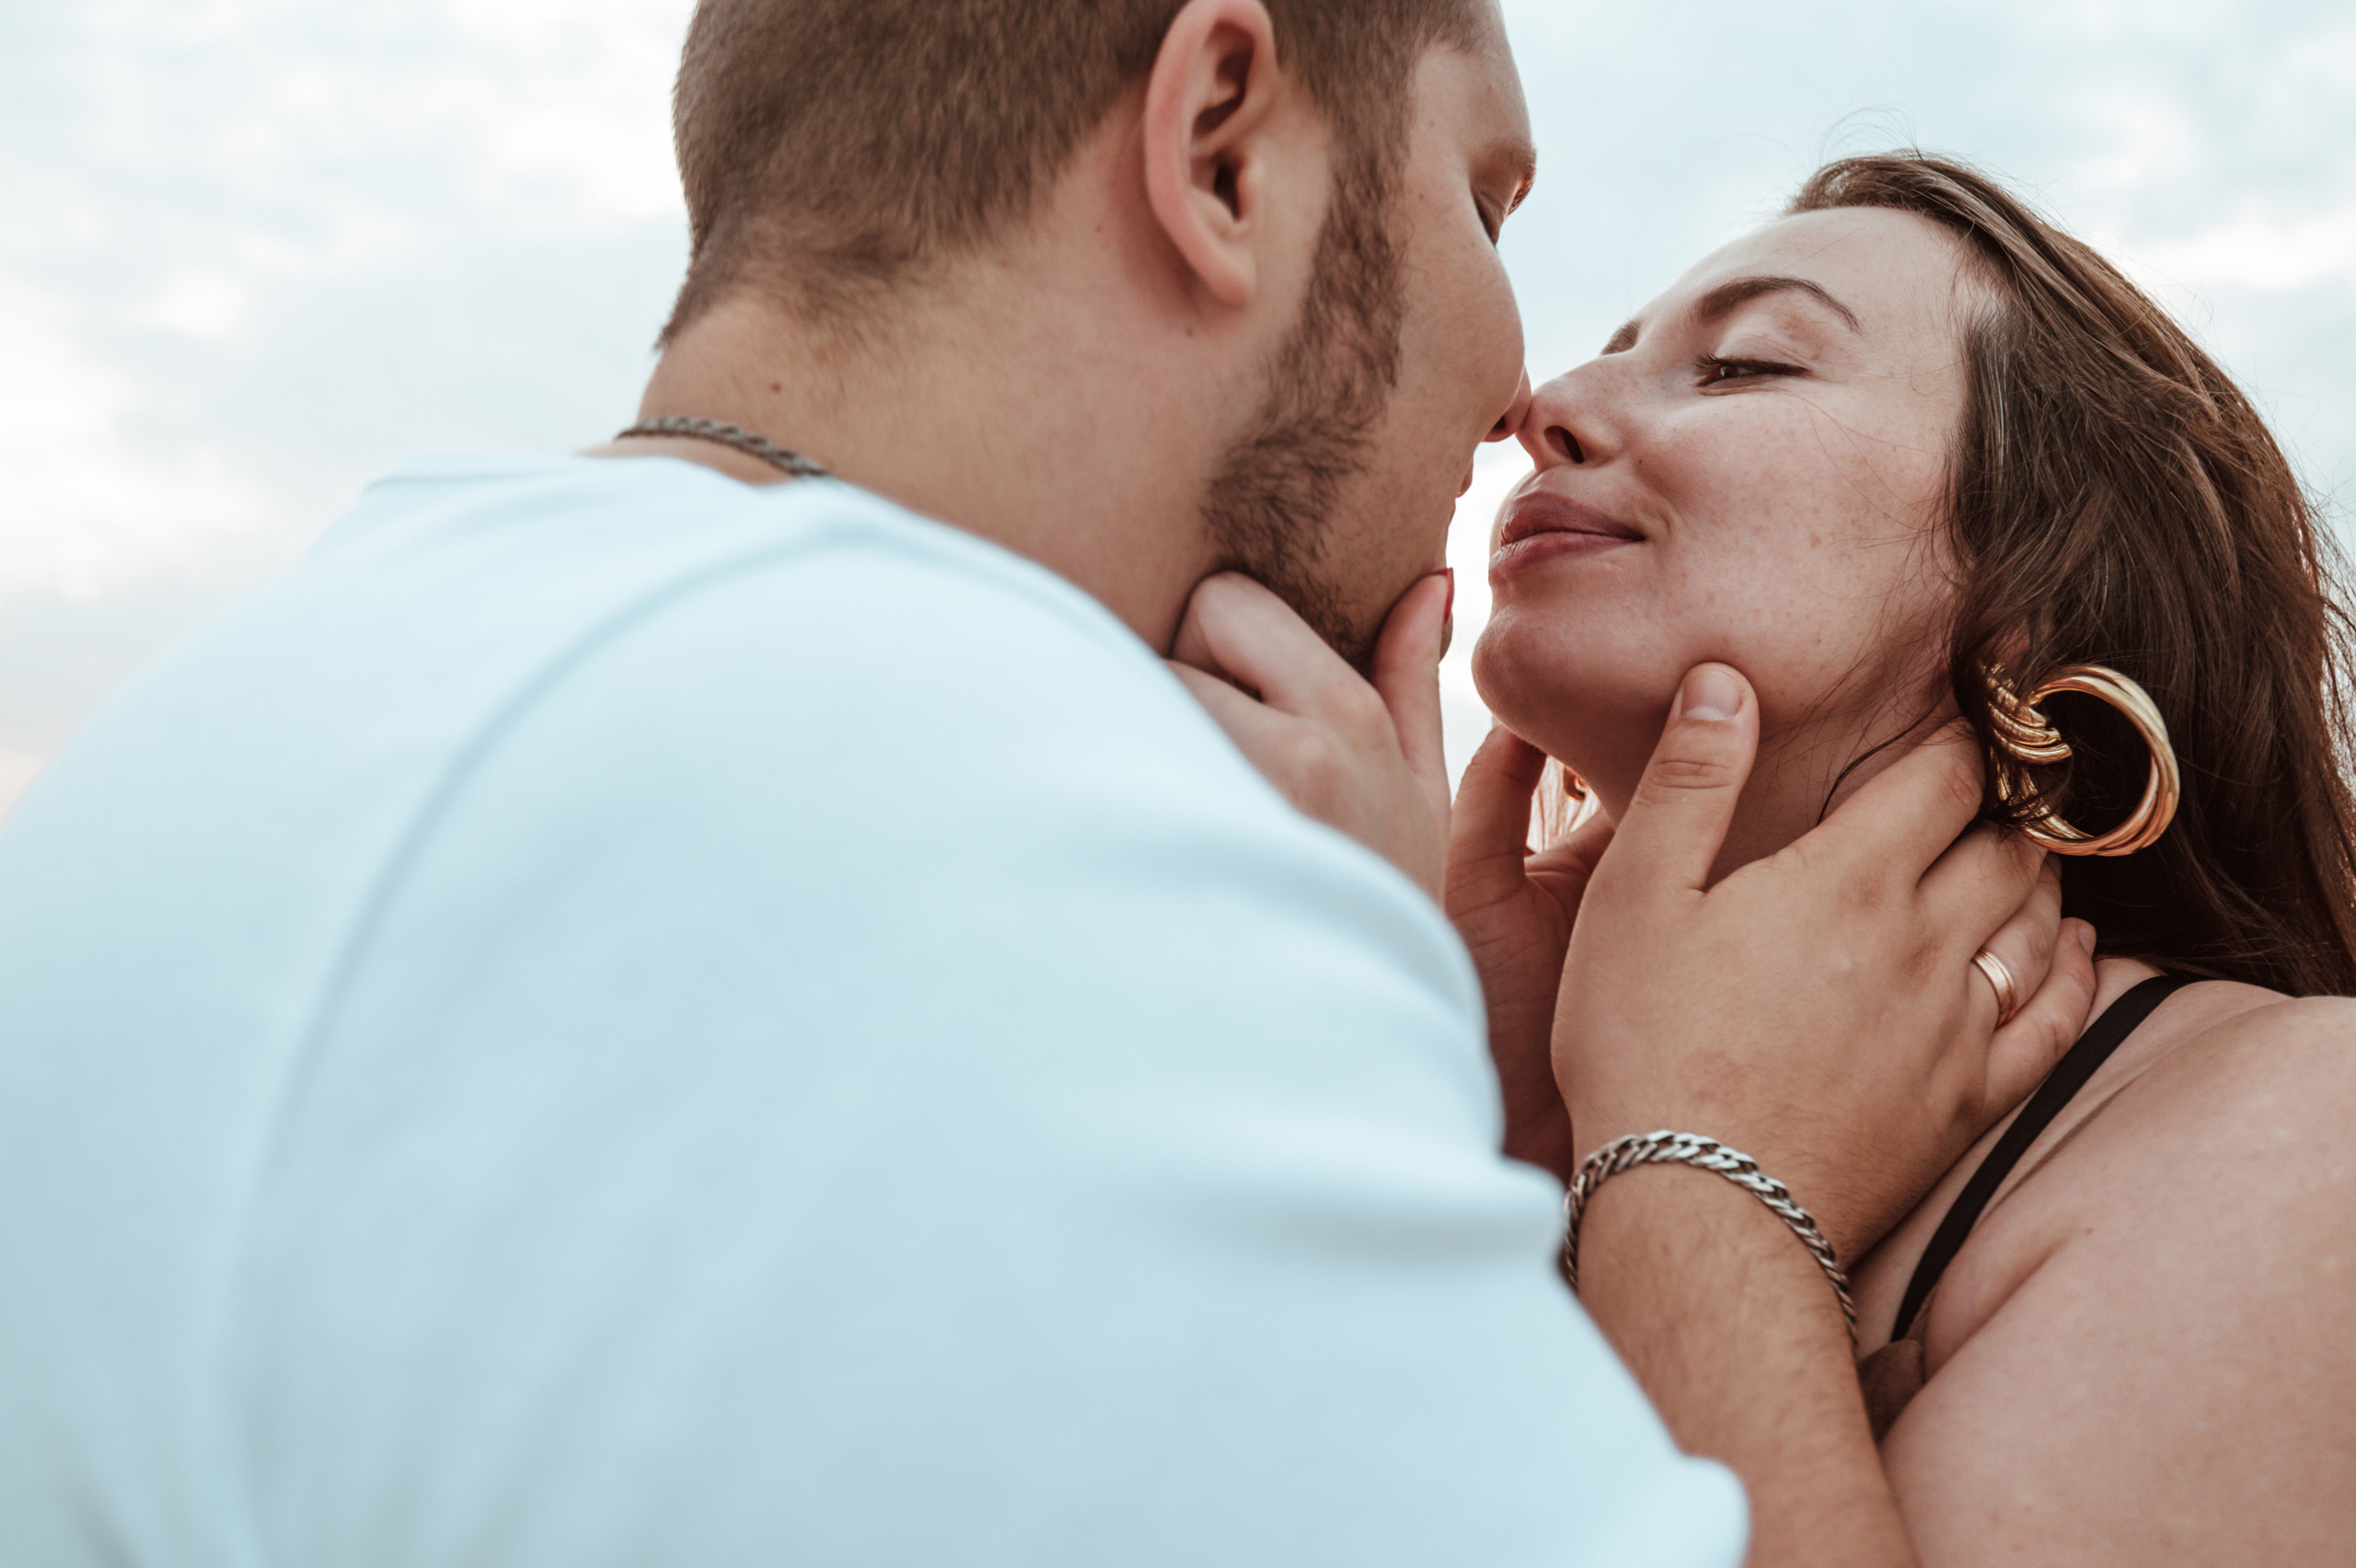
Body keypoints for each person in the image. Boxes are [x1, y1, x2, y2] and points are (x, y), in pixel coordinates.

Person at [0, 7, 2079, 1565]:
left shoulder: (273, 692)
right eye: (1483, 199)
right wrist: (1699, 1181)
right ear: (1219, 145)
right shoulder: (999, 863)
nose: (1520, 390)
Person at [1440, 152, 2356, 1563]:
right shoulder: (1511, 1116)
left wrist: (1693, 1180)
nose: (1546, 402)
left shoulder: (2302, 1128)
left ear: (2039, 583)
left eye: (1744, 365)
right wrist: (1488, 1142)